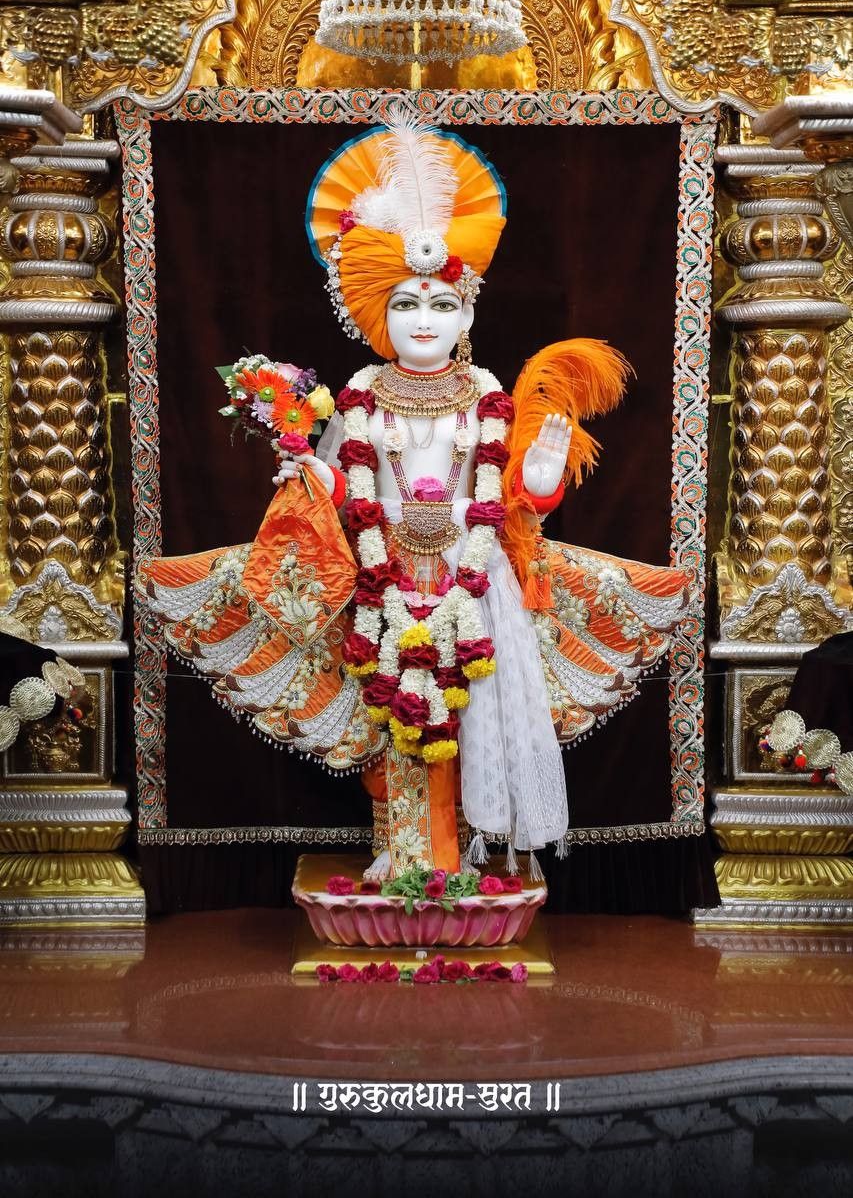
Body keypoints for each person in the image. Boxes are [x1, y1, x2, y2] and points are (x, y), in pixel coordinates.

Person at [139, 111, 691, 881]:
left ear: (466, 315)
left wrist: (539, 477)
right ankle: (401, 856)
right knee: (390, 712)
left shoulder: (487, 393)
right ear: (375, 316)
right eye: (406, 304)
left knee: (468, 715)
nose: (423, 321)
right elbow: (341, 489)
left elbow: (517, 498)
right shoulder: (359, 397)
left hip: (476, 573)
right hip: (381, 571)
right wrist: (303, 463)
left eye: (440, 305)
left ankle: (460, 857)